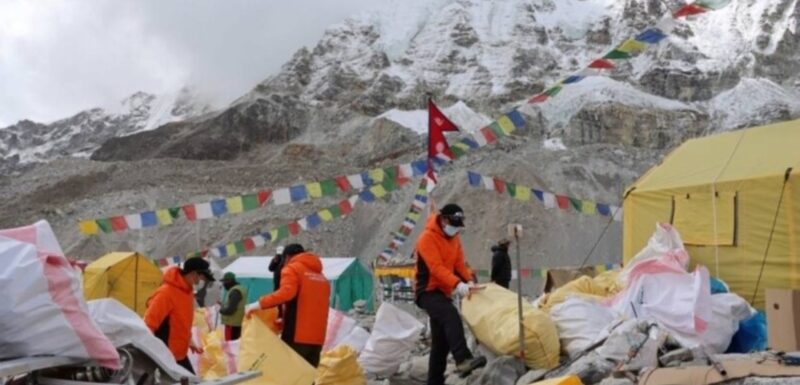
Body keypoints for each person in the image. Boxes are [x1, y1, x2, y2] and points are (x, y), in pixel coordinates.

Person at [415, 203, 486, 384]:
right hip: (427, 291)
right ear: (444, 219)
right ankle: (462, 359)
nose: (455, 229)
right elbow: (436, 268)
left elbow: (459, 264)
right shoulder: (426, 239)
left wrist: (469, 280)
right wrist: (458, 284)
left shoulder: (454, 239)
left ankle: (434, 381)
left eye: (458, 225)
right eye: (453, 224)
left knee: (441, 344)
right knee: (451, 315)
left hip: (443, 291)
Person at [245, 244, 330, 367]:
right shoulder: (322, 277)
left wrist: (258, 304)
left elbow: (286, 293)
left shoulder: (292, 269)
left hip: (297, 335)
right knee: (307, 377)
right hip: (317, 337)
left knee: (290, 375)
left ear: (287, 257)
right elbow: (309, 306)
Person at [144, 257, 214, 374]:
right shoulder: (166, 293)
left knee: (191, 381)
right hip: (166, 356)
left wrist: (189, 340)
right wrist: (153, 356)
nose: (201, 281)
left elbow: (182, 320)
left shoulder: (188, 292)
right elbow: (149, 324)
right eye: (201, 277)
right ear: (193, 274)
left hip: (179, 353)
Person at [219, 272, 247, 341]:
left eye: (224, 282)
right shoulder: (240, 289)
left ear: (229, 281)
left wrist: (221, 310)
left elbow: (230, 310)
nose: (224, 284)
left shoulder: (235, 291)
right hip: (238, 323)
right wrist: (223, 304)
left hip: (233, 324)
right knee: (236, 345)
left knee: (231, 345)